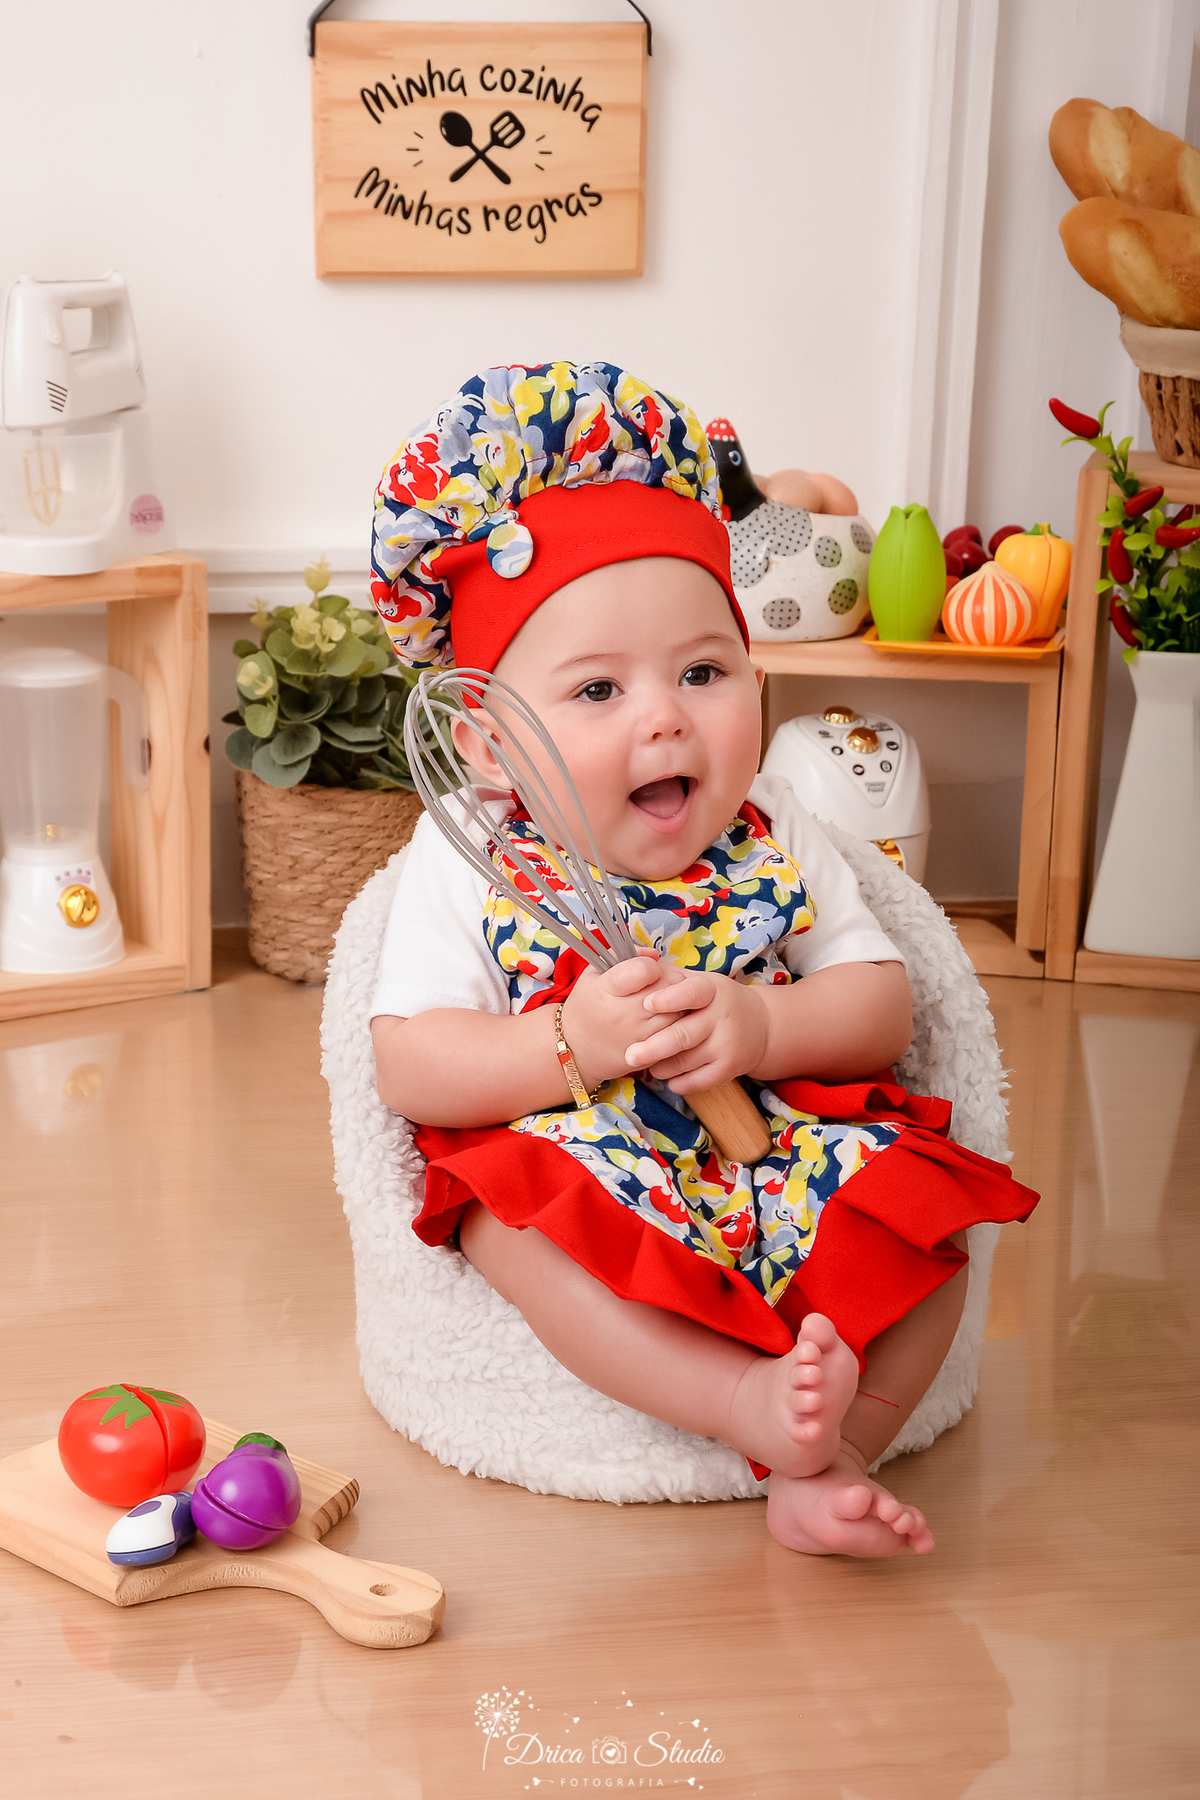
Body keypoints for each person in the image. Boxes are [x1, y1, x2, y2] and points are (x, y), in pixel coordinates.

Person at [367, 362, 1038, 1557]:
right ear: (485, 743)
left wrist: (764, 1027)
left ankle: (832, 1455)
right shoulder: (468, 854)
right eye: (595, 689)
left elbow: (882, 1005)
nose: (663, 718)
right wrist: (572, 1043)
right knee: (505, 1229)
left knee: (930, 1231)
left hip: (776, 1135)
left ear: (758, 677)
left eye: (701, 671)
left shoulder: (778, 827)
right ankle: (736, 1405)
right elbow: (413, 1067)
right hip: (577, 1150)